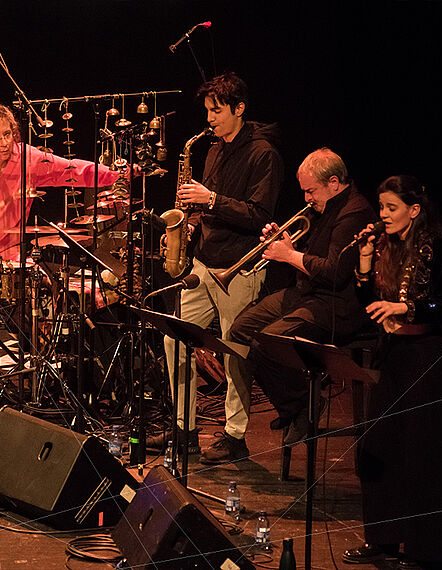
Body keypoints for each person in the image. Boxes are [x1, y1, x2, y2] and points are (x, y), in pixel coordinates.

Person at [155, 72, 284, 462]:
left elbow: (260, 213)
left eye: (217, 110)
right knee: (173, 338)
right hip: (204, 262)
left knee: (233, 350)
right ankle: (184, 429)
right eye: (207, 110)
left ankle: (234, 434)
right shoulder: (212, 149)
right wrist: (188, 224)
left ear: (239, 109)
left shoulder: (264, 154)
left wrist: (211, 200)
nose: (209, 118)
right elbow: (204, 206)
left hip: (239, 267)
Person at [229, 148, 375, 446]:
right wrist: (283, 241)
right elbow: (310, 253)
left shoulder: (353, 213)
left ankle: (304, 405)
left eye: (311, 191)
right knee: (240, 331)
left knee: (267, 343)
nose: (306, 198)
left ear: (334, 182)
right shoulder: (323, 208)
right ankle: (297, 406)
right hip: (307, 293)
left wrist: (290, 255)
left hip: (337, 304)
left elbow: (334, 272)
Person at [343, 175, 442, 569]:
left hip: (427, 354)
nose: (383, 214)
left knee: (421, 451)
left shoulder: (436, 244)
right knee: (378, 444)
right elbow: (368, 300)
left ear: (414, 210)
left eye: (391, 207)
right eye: (382, 207)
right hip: (393, 352)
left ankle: (426, 548)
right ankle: (383, 539)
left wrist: (406, 310)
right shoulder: (388, 245)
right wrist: (365, 258)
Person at [0, 102, 120, 260]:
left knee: (43, 285)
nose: (4, 142)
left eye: (7, 134)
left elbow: (72, 169)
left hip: (7, 255)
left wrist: (116, 174)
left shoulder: (27, 158)